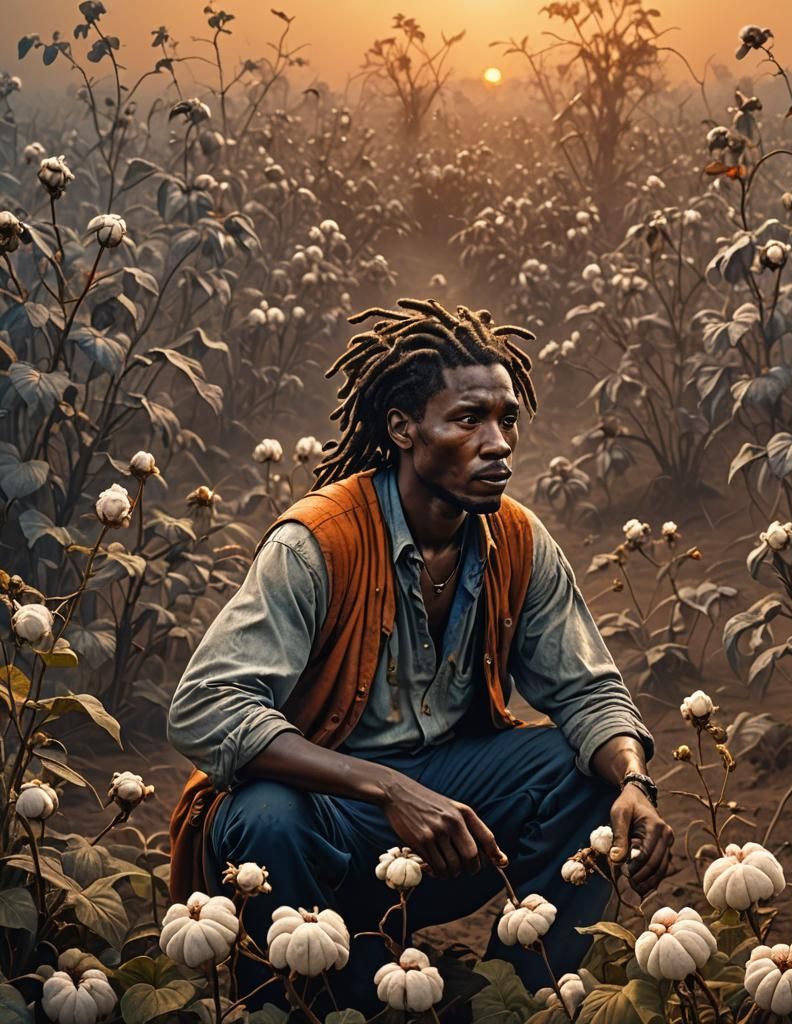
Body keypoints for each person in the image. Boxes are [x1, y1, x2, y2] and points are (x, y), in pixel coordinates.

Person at [166, 297, 672, 1014]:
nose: (497, 442)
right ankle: (323, 998)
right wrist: (387, 789)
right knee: (264, 815)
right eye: (467, 420)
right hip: (326, 824)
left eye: (506, 419)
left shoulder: (517, 541)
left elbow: (590, 692)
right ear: (403, 428)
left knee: (584, 771)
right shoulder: (319, 543)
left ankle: (516, 997)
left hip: (455, 824)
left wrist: (633, 781)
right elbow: (206, 710)